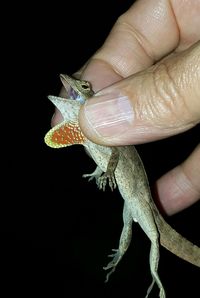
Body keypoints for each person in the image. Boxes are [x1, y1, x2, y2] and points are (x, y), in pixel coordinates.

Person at [52, 0, 200, 216]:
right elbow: (101, 153)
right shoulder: (89, 126)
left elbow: (112, 154)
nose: (75, 87)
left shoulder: (100, 116)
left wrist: (107, 173)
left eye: (83, 85)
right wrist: (98, 172)